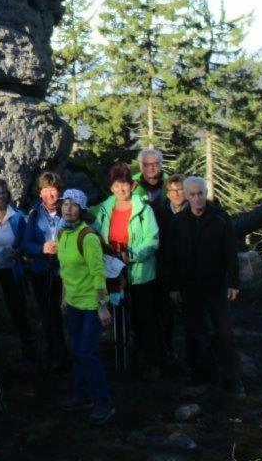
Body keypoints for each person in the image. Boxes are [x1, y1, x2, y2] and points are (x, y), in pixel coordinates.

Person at [167, 176, 244, 395]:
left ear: (205, 192)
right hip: (189, 285)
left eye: (200, 193)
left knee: (224, 332)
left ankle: (233, 378)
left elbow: (231, 253)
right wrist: (173, 287)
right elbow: (171, 257)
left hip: (216, 283)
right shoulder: (179, 222)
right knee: (193, 331)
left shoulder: (220, 219)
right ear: (186, 196)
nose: (197, 198)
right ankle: (198, 375)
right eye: (192, 194)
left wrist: (233, 283)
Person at [91, 162, 162, 378]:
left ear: (132, 186)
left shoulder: (144, 209)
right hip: (114, 274)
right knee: (116, 316)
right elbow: (89, 226)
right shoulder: (103, 209)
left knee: (144, 319)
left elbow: (152, 239)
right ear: (111, 187)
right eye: (117, 185)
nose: (121, 189)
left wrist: (131, 255)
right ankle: (119, 359)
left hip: (140, 273)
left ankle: (150, 362)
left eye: (125, 185)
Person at [56, 188, 115, 425]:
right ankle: (82, 396)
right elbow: (64, 270)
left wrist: (102, 305)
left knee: (87, 354)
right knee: (77, 352)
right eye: (65, 203)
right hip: (73, 303)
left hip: (91, 304)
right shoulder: (62, 234)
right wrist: (64, 297)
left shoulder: (87, 237)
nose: (68, 208)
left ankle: (104, 403)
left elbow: (98, 273)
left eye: (73, 205)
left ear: (81, 210)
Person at [0, 179, 36, 360]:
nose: (0, 197)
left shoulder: (17, 216)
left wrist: (18, 252)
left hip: (12, 268)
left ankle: (29, 349)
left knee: (18, 308)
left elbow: (25, 241)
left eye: (3, 193)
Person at [21, 171, 70, 371]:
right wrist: (42, 248)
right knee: (48, 314)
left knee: (66, 314)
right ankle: (54, 355)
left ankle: (70, 354)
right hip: (41, 271)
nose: (50, 195)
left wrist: (62, 247)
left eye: (54, 190)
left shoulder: (69, 211)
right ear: (40, 193)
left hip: (65, 272)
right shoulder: (34, 215)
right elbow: (26, 244)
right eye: (46, 190)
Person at [155, 174, 187, 360]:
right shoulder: (161, 212)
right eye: (172, 190)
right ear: (167, 193)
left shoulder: (194, 211)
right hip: (167, 270)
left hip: (190, 271)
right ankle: (168, 352)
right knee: (166, 316)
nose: (176, 194)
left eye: (180, 189)